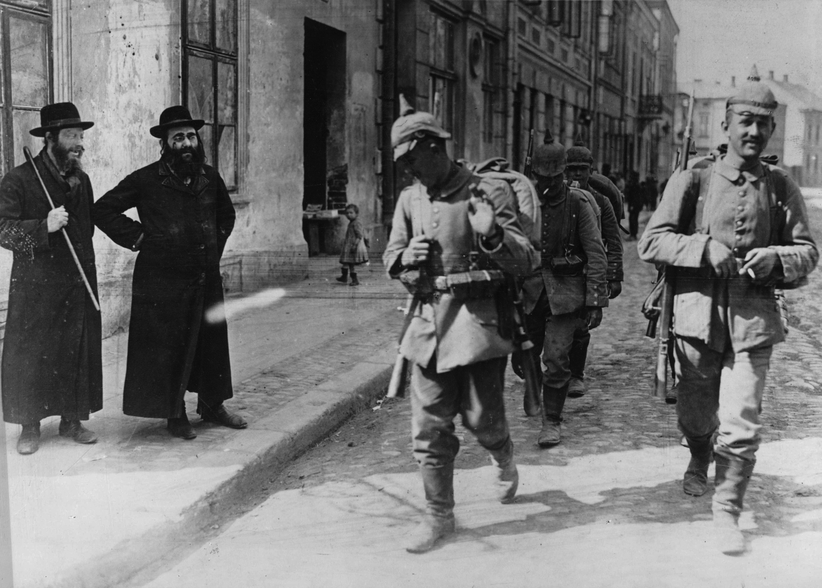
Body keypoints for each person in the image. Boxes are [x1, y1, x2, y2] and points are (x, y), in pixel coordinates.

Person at [638, 67, 818, 554]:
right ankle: (698, 455)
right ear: (726, 124)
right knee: (697, 417)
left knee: (741, 424)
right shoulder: (693, 177)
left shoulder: (780, 186)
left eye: (764, 123)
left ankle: (727, 510)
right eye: (745, 121)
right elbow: (650, 241)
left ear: (772, 129)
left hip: (754, 321)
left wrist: (777, 257)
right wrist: (701, 248)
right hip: (696, 321)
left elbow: (808, 252)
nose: (754, 131)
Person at [384, 95, 536, 553]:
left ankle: (502, 454)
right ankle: (438, 517)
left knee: (482, 420)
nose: (410, 171)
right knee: (429, 428)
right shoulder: (410, 199)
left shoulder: (486, 191)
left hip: (478, 328)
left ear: (433, 147)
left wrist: (491, 233)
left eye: (412, 160)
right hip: (429, 325)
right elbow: (392, 258)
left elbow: (527, 260)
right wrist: (405, 260)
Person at [93, 105, 246, 440]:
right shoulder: (147, 179)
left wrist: (213, 249)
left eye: (191, 136)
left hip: (205, 276)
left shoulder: (210, 177)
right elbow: (102, 209)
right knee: (169, 347)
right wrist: (139, 237)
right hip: (163, 280)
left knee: (211, 344)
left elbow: (226, 215)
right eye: (179, 138)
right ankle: (173, 413)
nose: (187, 143)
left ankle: (213, 405)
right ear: (165, 144)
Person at [0, 102, 102, 454]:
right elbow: (3, 231)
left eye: (80, 135)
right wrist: (43, 226)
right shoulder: (18, 179)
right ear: (49, 138)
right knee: (33, 354)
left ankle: (72, 421)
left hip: (75, 280)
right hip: (36, 286)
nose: (78, 143)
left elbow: (86, 231)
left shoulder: (81, 180)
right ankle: (30, 427)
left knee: (74, 351)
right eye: (71, 135)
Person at [520, 132, 608, 447]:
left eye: (554, 178)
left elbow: (596, 253)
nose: (548, 184)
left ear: (562, 174)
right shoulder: (523, 203)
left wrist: (595, 300)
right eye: (542, 178)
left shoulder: (579, 202)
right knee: (524, 355)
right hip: (528, 293)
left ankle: (552, 421)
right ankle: (533, 388)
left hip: (566, 293)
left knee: (556, 358)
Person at [564, 140, 623, 398]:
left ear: (591, 170)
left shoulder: (602, 201)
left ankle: (576, 374)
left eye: (582, 169)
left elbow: (613, 241)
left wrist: (614, 277)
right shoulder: (558, 197)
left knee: (580, 325)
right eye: (572, 169)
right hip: (559, 268)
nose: (576, 174)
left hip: (587, 269)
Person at [336, 203, 368, 286]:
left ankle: (354, 279)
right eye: (347, 213)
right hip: (348, 246)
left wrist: (354, 245)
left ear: (356, 214)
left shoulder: (356, 223)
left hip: (352, 246)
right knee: (346, 262)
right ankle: (344, 276)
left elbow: (359, 235)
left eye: (351, 213)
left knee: (351, 264)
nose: (348, 215)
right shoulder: (351, 222)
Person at [624, 170, 642, 240]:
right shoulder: (636, 184)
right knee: (634, 220)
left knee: (632, 220)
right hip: (636, 206)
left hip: (634, 206)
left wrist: (632, 206)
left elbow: (635, 197)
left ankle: (633, 235)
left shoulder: (635, 185)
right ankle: (633, 234)